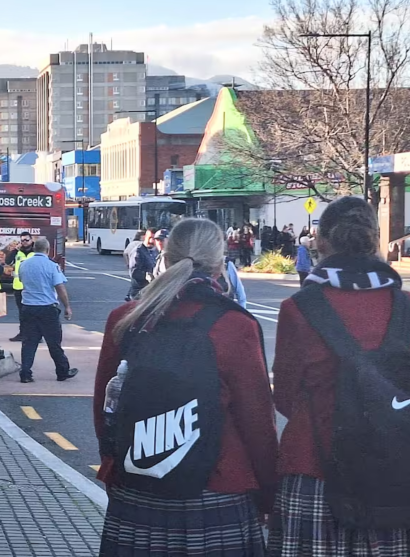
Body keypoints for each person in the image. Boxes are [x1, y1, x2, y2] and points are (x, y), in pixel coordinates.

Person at [268, 196, 410, 556]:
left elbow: (285, 396)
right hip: (395, 463)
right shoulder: (409, 306)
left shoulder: (298, 308)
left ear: (321, 241)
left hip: (316, 461)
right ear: (375, 238)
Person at [94, 218, 278, 555]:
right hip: (219, 489)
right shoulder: (235, 325)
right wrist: (268, 493)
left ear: (164, 255)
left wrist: (113, 469)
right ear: (220, 262)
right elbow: (257, 422)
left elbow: (106, 409)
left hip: (136, 487)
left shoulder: (127, 318)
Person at [17, 237, 77, 384]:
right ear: (47, 250)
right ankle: (62, 371)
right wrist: (67, 307)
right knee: (53, 342)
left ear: (34, 248)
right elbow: (60, 287)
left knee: (29, 342)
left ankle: (25, 373)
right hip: (47, 308)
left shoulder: (24, 265)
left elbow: (21, 281)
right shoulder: (52, 266)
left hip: (28, 307)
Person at [9, 232, 36, 342]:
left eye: (27, 240)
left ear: (31, 240)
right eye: (22, 240)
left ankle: (35, 335)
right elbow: (7, 261)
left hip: (32, 287)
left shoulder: (35, 252)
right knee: (22, 312)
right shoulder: (18, 252)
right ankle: (22, 333)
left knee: (33, 312)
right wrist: (15, 250)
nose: (25, 242)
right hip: (18, 287)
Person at [126, 228, 157, 300]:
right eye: (150, 238)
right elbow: (134, 272)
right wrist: (146, 275)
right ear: (144, 237)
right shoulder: (138, 251)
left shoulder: (154, 251)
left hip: (150, 290)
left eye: (154, 238)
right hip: (139, 292)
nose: (151, 241)